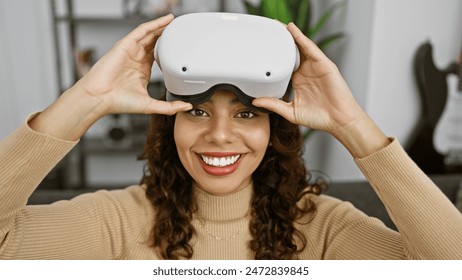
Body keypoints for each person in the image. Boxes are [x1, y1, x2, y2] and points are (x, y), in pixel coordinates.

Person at [0, 14, 461, 260]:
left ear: (274, 129)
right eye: (197, 110)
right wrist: (87, 99)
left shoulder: (323, 229)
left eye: (245, 113)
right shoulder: (117, 221)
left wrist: (353, 125)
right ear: (168, 122)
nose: (219, 135)